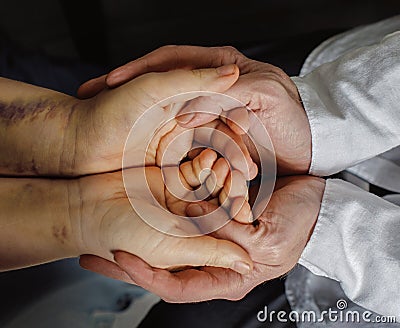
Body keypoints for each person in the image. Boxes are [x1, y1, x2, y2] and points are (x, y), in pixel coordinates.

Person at [79, 15, 400, 327]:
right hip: (340, 86)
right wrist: (322, 112)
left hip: (353, 292)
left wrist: (330, 235)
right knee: (118, 107)